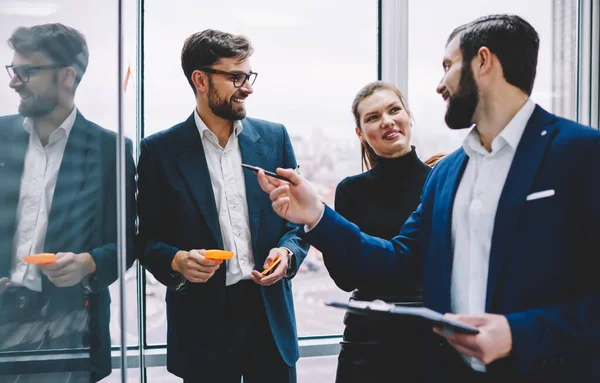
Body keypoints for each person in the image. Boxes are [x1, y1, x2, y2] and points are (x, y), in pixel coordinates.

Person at [258, 14, 600, 383]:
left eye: (448, 66)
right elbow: (397, 260)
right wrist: (317, 214)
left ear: (483, 62)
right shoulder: (447, 174)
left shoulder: (581, 153)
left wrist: (520, 334)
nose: (440, 85)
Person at [136, 29, 309, 383]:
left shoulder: (275, 138)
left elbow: (300, 223)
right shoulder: (159, 151)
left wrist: (288, 253)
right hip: (202, 328)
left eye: (248, 76)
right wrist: (176, 260)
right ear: (200, 79)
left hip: (269, 318)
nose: (247, 87)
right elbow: (146, 239)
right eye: (236, 77)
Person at [0, 23, 136, 382]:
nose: (14, 81)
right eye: (13, 70)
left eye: (26, 71)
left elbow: (127, 241)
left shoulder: (112, 150)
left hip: (70, 333)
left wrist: (88, 263)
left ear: (66, 76)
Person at [325, 81, 431, 383]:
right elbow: (345, 279)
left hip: (430, 334)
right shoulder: (351, 191)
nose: (387, 121)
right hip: (367, 338)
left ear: (408, 116)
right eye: (372, 117)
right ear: (360, 133)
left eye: (394, 110)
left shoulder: (441, 182)